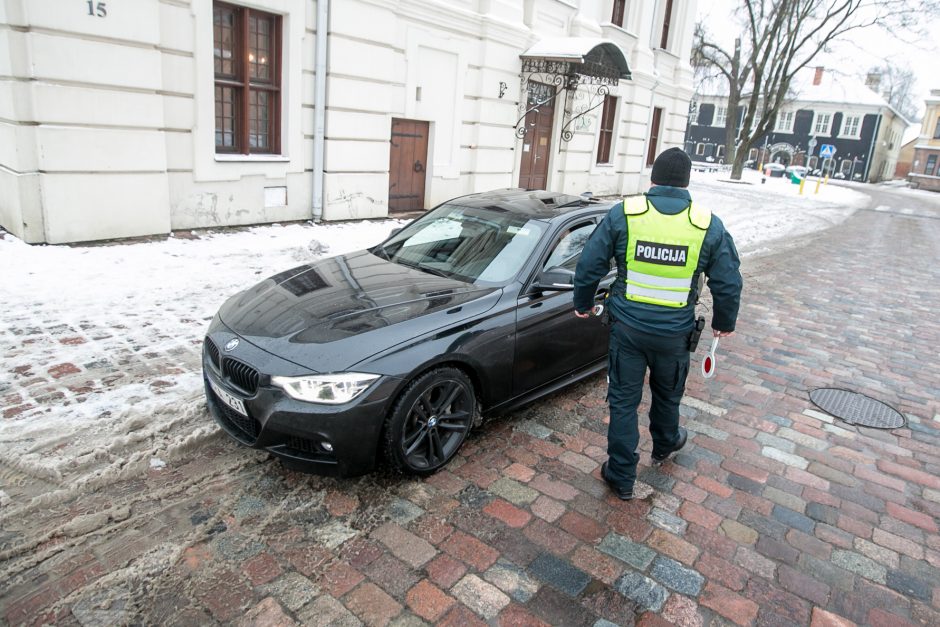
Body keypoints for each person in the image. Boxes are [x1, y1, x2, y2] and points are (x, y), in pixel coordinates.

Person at [573, 147, 742, 500]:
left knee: (622, 401)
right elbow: (727, 281)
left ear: (653, 178)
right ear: (686, 182)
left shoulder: (627, 214)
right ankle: (665, 444)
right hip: (674, 334)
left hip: (628, 331)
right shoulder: (706, 223)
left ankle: (620, 476)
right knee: (668, 393)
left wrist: (583, 303)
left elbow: (590, 263)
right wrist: (724, 322)